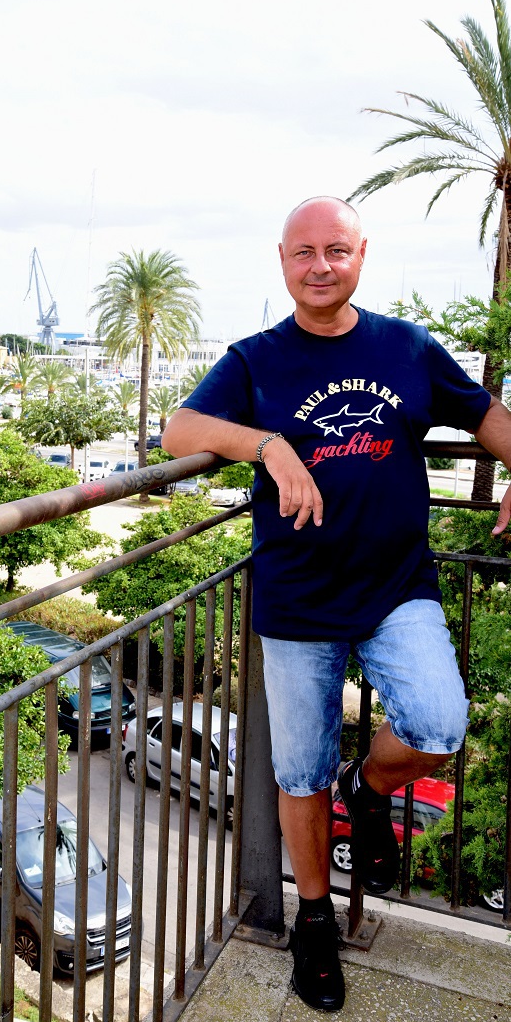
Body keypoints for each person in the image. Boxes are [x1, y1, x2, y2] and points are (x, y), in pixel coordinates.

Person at [162, 196, 511, 1013]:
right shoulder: (254, 359)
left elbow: (483, 412)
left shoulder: (406, 347)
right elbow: (179, 431)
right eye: (303, 252)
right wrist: (266, 444)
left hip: (396, 587)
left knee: (437, 724)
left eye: (336, 250)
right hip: (296, 598)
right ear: (282, 260)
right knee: (299, 772)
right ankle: (313, 921)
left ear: (360, 255)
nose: (319, 266)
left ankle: (367, 788)